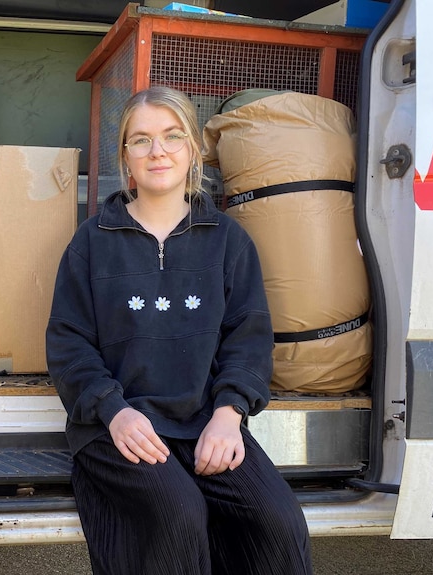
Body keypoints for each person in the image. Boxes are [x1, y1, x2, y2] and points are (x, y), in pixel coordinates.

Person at [45, 86, 313, 575]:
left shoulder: (229, 241)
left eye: (172, 136)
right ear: (125, 156)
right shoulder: (91, 243)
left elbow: (248, 339)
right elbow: (69, 345)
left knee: (278, 520)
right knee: (178, 514)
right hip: (120, 429)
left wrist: (229, 415)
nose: (158, 151)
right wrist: (114, 412)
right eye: (140, 140)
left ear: (193, 148)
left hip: (205, 421)